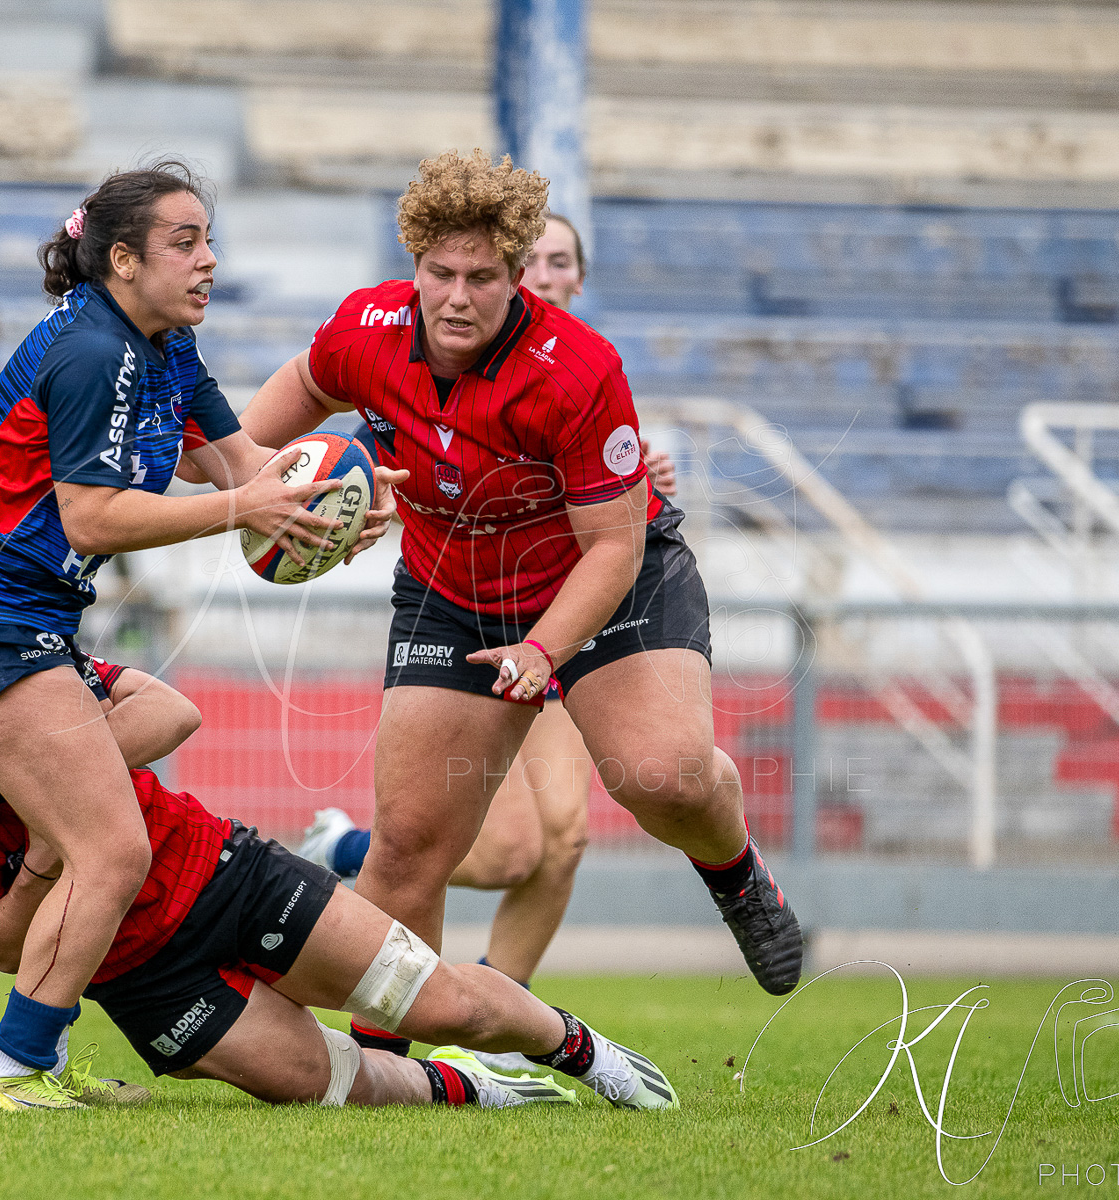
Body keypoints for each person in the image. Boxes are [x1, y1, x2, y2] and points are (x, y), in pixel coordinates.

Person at [234, 150, 803, 1060]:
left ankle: (736, 872)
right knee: (409, 847)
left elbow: (614, 545)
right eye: (440, 273)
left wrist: (543, 652)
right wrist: (250, 481)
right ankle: (383, 1069)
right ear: (415, 263)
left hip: (605, 578)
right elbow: (306, 385)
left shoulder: (577, 368)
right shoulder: (367, 325)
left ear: (517, 275)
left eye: (482, 278)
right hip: (452, 589)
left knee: (662, 778)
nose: (457, 297)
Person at [0, 160, 406, 1108]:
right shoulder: (94, 350)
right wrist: (249, 507)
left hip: (24, 622)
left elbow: (241, 465)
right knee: (113, 851)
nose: (208, 260)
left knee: (112, 821)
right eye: (185, 242)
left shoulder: (165, 346)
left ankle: (31, 1059)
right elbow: (92, 518)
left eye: (210, 240)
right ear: (122, 259)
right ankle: (11, 1073)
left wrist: (335, 502)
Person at [0, 651, 680, 1112]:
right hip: (145, 982)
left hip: (225, 878)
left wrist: (56, 777)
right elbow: (0, 946)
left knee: (442, 1006)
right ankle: (477, 1086)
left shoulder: (27, 704)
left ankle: (580, 1050)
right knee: (328, 1084)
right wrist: (44, 851)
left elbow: (173, 712)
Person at [297, 212, 683, 1052]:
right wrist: (360, 480)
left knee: (566, 841)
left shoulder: (580, 363)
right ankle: (353, 852)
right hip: (480, 607)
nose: (540, 274)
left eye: (557, 261)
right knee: (503, 851)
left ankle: (488, 1030)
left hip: (569, 606)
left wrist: (641, 485)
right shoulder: (425, 342)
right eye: (530, 259)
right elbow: (407, 425)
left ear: (571, 279)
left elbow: (602, 503)